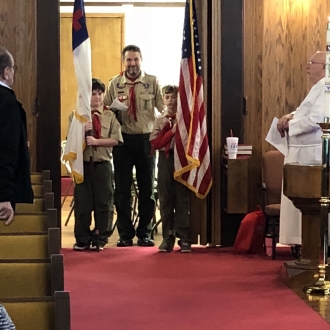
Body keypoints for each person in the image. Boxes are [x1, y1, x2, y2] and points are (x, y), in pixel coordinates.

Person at [104, 44, 164, 247]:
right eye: (128, 60)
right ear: (124, 62)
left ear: (141, 59)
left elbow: (163, 110)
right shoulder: (114, 83)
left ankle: (145, 233)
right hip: (122, 141)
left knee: (147, 189)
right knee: (122, 190)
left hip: (146, 140)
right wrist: (113, 107)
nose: (132, 64)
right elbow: (105, 111)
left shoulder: (152, 82)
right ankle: (125, 234)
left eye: (135, 59)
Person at [277, 51, 326, 246]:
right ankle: (302, 245)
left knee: (305, 204)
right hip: (301, 153)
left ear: (324, 67)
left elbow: (318, 119)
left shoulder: (325, 87)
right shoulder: (317, 88)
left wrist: (291, 125)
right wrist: (290, 115)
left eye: (311, 62)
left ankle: (307, 245)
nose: (307, 66)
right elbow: (306, 111)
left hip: (309, 156)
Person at [71, 78, 123, 251]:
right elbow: (70, 142)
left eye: (100, 93)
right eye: (93, 94)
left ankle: (100, 237)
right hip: (83, 165)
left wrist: (97, 141)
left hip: (102, 163)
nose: (97, 97)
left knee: (104, 202)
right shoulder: (77, 116)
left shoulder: (110, 115)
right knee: (83, 203)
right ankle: (83, 238)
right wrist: (81, 131)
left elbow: (116, 140)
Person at [150, 85, 191, 252]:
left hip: (181, 159)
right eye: (167, 97)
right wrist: (172, 132)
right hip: (165, 160)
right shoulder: (160, 120)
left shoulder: (185, 118)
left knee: (182, 199)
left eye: (173, 97)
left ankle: (184, 237)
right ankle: (168, 237)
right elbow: (155, 143)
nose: (170, 101)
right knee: (166, 199)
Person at [0, 46, 33, 225]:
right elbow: (5, 150)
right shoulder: (7, 102)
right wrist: (4, 195)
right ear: (6, 72)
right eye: (13, 69)